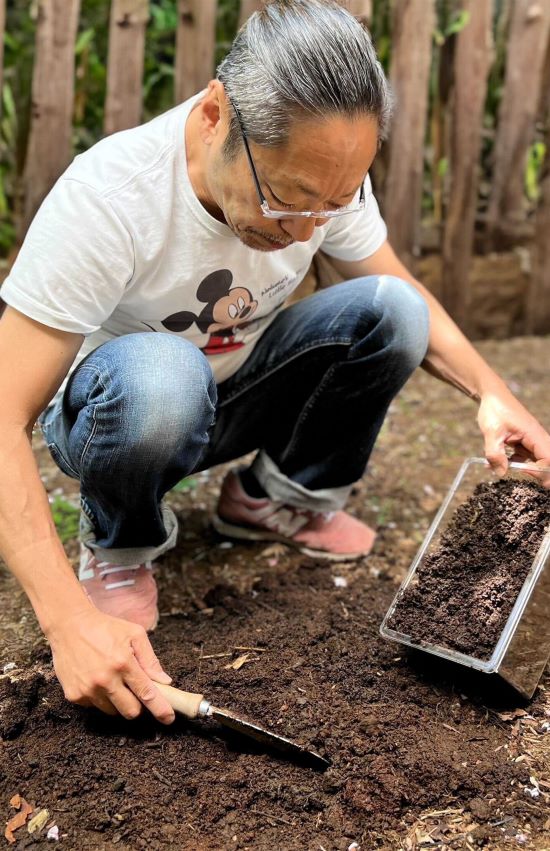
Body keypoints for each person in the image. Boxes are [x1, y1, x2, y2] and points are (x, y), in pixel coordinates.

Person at [1, 0, 549, 726]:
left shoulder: (324, 174)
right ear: (215, 115)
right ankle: (119, 537)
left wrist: (492, 391)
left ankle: (275, 498)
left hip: (235, 388)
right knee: (163, 376)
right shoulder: (109, 200)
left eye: (334, 202)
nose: (306, 229)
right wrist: (67, 622)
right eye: (287, 200)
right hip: (127, 412)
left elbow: (394, 287)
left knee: (393, 310)